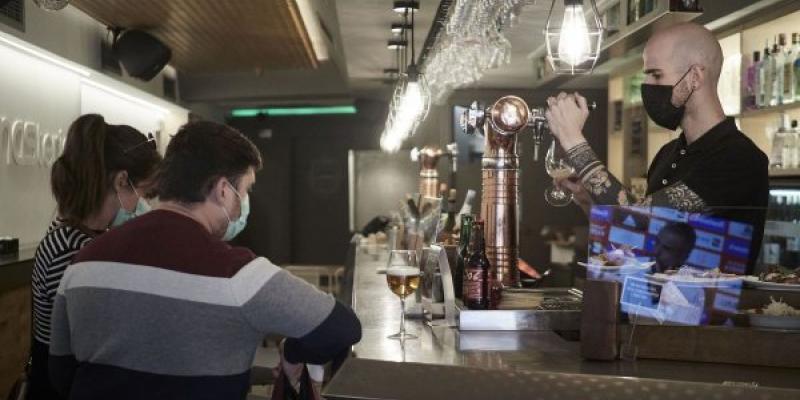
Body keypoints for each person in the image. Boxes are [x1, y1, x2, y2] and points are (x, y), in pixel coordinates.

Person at [48, 121, 362, 399]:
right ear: (223, 190)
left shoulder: (83, 263)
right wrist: (292, 352)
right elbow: (343, 327)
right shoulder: (241, 276)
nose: (244, 203)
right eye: (246, 189)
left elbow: (60, 373)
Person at [546, 22, 768, 274]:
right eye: (647, 76)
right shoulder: (668, 154)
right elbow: (635, 239)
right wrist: (589, 201)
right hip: (651, 309)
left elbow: (636, 219)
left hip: (710, 311)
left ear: (695, 77)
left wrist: (574, 141)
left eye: (657, 75)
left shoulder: (738, 158)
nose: (648, 86)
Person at [28, 114, 161, 400]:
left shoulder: (77, 237)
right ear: (122, 181)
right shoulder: (74, 251)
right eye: (145, 193)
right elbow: (95, 348)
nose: (145, 205)